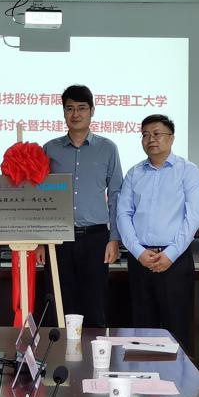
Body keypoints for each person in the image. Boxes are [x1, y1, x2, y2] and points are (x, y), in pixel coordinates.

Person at [115, 114, 199, 353]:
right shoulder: (134, 173)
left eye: (157, 134)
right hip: (140, 260)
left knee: (177, 328)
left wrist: (171, 254)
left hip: (175, 261)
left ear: (171, 138)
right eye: (145, 135)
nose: (151, 139)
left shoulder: (188, 171)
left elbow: (193, 217)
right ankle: (145, 376)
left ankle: (179, 377)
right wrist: (138, 252)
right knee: (143, 328)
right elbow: (123, 214)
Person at [39, 84, 123, 327]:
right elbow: (40, 197)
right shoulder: (50, 149)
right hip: (58, 240)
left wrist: (114, 239)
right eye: (70, 108)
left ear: (92, 111)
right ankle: (58, 352)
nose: (75, 114)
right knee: (59, 305)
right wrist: (41, 241)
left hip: (96, 238)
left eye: (82, 108)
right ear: (64, 112)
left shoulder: (108, 148)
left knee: (94, 305)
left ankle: (93, 352)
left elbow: (116, 194)